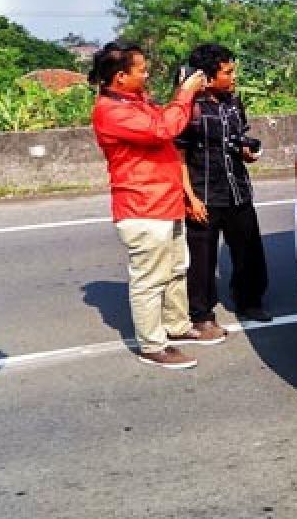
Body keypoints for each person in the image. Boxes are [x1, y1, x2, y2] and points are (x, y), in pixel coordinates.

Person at [89, 42, 224, 371]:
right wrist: (185, 93)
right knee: (149, 280)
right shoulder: (110, 110)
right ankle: (152, 345)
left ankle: (178, 327)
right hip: (142, 207)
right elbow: (164, 129)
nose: (147, 74)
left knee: (177, 270)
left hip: (166, 201)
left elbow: (170, 123)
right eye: (142, 70)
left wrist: (186, 94)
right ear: (120, 77)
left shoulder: (136, 101)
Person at [178, 44, 272, 329]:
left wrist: (247, 152)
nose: (233, 77)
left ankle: (249, 301)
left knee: (248, 251)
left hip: (238, 190)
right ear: (206, 76)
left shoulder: (233, 102)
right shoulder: (189, 108)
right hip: (204, 193)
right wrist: (190, 198)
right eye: (227, 72)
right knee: (202, 261)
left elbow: (240, 138)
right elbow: (178, 157)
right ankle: (202, 314)